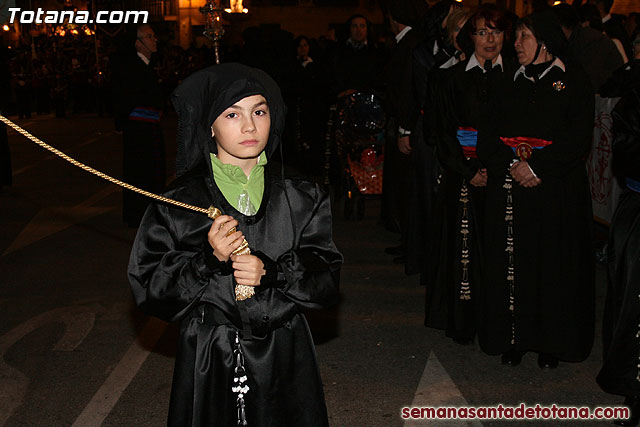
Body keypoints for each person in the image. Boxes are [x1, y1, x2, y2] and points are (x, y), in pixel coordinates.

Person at [128, 63, 343, 426]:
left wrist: (274, 271)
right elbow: (150, 290)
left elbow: (326, 282)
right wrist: (207, 261)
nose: (249, 126)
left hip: (286, 353)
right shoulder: (179, 201)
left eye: (259, 111)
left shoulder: (302, 193)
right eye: (232, 114)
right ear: (210, 125)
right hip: (210, 355)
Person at [478, 10, 595, 369]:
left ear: (544, 41)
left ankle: (551, 343)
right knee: (516, 266)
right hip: (513, 190)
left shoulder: (572, 81)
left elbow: (577, 140)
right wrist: (512, 166)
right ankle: (516, 338)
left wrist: (537, 166)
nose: (516, 44)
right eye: (517, 37)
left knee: (552, 266)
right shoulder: (507, 82)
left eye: (524, 37)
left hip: (555, 191)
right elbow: (487, 135)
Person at [427, 6, 513, 345]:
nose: (489, 39)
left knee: (501, 251)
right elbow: (441, 132)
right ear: (470, 38)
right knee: (464, 251)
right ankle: (464, 320)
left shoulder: (517, 77)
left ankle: (501, 323)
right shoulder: (452, 77)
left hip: (505, 175)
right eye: (481, 32)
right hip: (464, 174)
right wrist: (468, 170)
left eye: (496, 32)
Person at [596, 86, 640, 427]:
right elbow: (624, 154)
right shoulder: (634, 98)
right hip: (638, 212)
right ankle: (635, 390)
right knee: (632, 299)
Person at [112, 24, 166, 227]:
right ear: (138, 43)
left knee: (152, 173)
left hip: (149, 128)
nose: (155, 40)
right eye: (149, 36)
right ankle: (141, 215)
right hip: (140, 131)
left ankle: (149, 213)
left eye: (153, 35)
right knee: (141, 173)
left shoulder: (145, 65)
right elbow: (124, 99)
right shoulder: (132, 67)